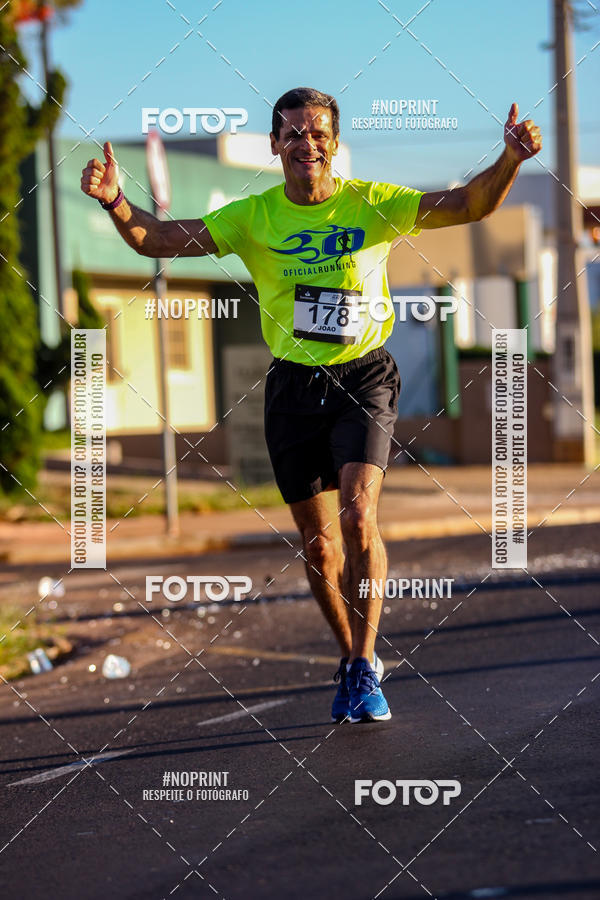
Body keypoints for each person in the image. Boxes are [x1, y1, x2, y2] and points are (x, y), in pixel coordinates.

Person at [80, 87, 541, 723]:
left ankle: (364, 663)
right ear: (275, 144)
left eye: (319, 131)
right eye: (293, 132)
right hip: (292, 388)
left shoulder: (373, 204)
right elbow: (155, 239)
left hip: (365, 377)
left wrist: (509, 161)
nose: (307, 142)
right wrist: (113, 201)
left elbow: (468, 204)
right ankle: (353, 658)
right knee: (320, 547)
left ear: (334, 141)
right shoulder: (253, 217)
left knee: (358, 518)